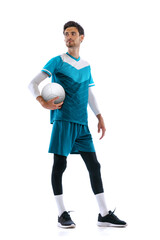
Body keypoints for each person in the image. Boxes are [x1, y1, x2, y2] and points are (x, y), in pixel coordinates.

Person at [28, 21, 127, 228]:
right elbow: (33, 83)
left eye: (72, 33)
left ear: (82, 37)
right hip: (63, 120)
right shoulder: (57, 61)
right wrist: (43, 102)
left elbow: (89, 92)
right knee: (60, 165)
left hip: (82, 123)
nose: (68, 37)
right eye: (65, 34)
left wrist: (99, 116)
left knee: (94, 165)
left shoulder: (86, 65)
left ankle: (103, 214)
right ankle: (61, 214)